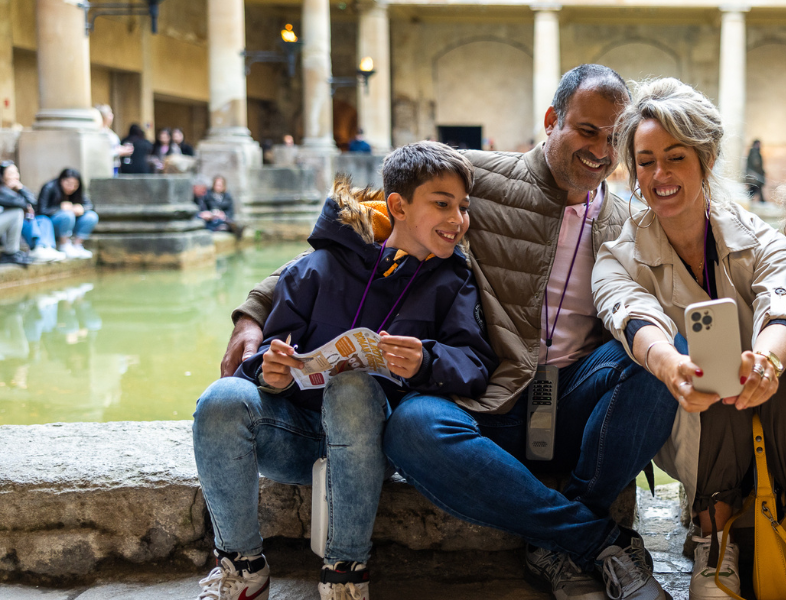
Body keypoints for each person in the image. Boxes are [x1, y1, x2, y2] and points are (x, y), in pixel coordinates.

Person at [220, 65, 678, 600]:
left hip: (577, 397)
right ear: (552, 121)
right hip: (488, 401)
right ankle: (593, 541)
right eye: (587, 130)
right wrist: (254, 311)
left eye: (612, 136)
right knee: (412, 426)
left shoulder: (629, 221)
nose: (601, 150)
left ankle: (562, 538)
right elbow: (356, 239)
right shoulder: (474, 180)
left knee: (661, 357)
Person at [194, 141, 499, 600]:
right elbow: (271, 352)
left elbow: (475, 365)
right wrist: (269, 372)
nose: (458, 220)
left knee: (354, 387)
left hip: (373, 449)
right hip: (297, 438)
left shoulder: (454, 283)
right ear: (397, 205)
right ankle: (241, 567)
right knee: (218, 400)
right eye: (442, 204)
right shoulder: (316, 269)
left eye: (463, 207)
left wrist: (426, 360)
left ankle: (346, 572)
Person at [592, 78, 786, 600]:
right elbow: (631, 315)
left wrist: (769, 363)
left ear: (705, 159)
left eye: (675, 157)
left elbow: (784, 309)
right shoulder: (617, 255)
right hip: (696, 421)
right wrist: (670, 365)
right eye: (645, 161)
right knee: (701, 362)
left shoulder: (764, 241)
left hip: (781, 411)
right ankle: (715, 540)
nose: (659, 175)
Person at [34, 168, 97, 259]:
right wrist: (59, 208)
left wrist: (81, 208)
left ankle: (77, 245)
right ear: (61, 180)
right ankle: (64, 244)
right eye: (68, 183)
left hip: (73, 223)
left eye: (75, 185)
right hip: (52, 224)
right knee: (68, 214)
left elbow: (90, 206)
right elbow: (41, 210)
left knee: (91, 216)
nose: (71, 188)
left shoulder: (78, 191)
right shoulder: (49, 187)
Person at [0, 161, 35, 266]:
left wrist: (21, 188)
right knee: (16, 212)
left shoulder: (13, 190)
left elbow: (33, 204)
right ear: (2, 176)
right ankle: (11, 252)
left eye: (16, 172)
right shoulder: (2, 190)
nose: (14, 176)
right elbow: (25, 203)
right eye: (10, 173)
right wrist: (21, 189)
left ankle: (13, 252)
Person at [96, 105, 134, 175]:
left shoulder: (109, 132)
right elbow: (100, 153)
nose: (112, 116)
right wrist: (118, 151)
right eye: (110, 114)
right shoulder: (99, 132)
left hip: (115, 166)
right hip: (105, 167)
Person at [745, 139, 765, 204]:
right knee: (754, 190)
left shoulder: (752, 152)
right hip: (755, 177)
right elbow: (756, 163)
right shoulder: (754, 152)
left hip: (754, 177)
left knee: (755, 190)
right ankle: (762, 201)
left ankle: (762, 201)